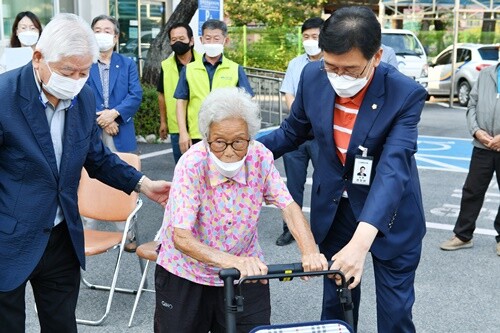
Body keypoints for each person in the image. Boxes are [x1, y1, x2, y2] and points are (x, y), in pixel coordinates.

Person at [258, 6, 427, 332]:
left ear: (376, 57)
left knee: (395, 315)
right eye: (330, 66)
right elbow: (292, 132)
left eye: (349, 70)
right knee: (336, 310)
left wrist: (361, 243)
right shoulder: (312, 77)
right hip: (336, 211)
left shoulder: (403, 94)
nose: (337, 78)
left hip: (391, 217)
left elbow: (393, 169)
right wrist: (239, 152)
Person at [0, 13, 170, 333]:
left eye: (85, 71)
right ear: (39, 57)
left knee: (63, 325)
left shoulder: (82, 96)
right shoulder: (4, 95)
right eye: (68, 71)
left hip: (61, 238)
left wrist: (144, 184)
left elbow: (97, 157)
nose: (77, 79)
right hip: (9, 237)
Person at [154, 87, 328, 333]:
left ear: (250, 137)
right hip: (187, 273)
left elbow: (287, 205)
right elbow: (181, 237)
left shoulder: (260, 157)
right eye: (219, 142)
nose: (228, 151)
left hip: (244, 270)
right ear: (206, 137)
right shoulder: (192, 164)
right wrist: (234, 262)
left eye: (238, 142)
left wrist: (309, 251)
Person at [440, 60, 500, 256]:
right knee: (472, 190)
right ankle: (463, 236)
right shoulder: (486, 74)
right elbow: (472, 105)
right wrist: (476, 132)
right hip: (482, 144)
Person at [276, 17, 323, 246]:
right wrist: (300, 119)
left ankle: (322, 229)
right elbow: (289, 94)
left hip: (322, 136)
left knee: (324, 184)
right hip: (296, 133)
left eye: (315, 37)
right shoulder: (296, 64)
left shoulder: (334, 63)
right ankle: (290, 229)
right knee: (292, 185)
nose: (310, 41)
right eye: (306, 37)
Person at [174, 19, 253, 156]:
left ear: (225, 41)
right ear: (201, 39)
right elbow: (181, 102)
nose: (212, 43)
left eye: (216, 38)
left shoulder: (235, 69)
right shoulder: (189, 69)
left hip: (226, 137)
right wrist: (183, 132)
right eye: (208, 38)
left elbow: (247, 102)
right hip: (196, 134)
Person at [87, 15, 142, 153]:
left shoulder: (127, 64)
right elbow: (78, 95)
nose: (101, 34)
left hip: (120, 128)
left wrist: (113, 114)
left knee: (123, 172)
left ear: (116, 37)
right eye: (97, 31)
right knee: (91, 174)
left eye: (107, 31)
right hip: (91, 131)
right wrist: (103, 120)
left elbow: (135, 95)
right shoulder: (84, 63)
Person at [157, 22, 201, 164]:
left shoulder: (203, 63)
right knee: (182, 170)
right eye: (174, 39)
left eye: (182, 38)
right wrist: (163, 122)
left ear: (191, 40)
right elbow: (162, 94)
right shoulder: (166, 65)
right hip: (176, 127)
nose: (177, 42)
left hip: (200, 127)